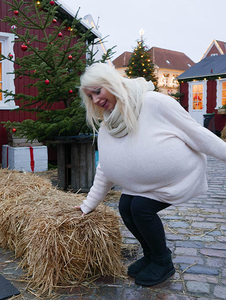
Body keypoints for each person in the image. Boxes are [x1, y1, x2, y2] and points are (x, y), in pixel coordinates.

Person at [75, 62, 226, 287]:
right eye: (90, 96)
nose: (95, 100)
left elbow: (197, 134)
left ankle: (163, 262)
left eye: (98, 91)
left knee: (141, 209)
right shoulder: (109, 121)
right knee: (126, 206)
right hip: (142, 186)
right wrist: (89, 204)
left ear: (112, 83)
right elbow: (106, 166)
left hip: (177, 179)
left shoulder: (154, 102)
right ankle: (151, 256)